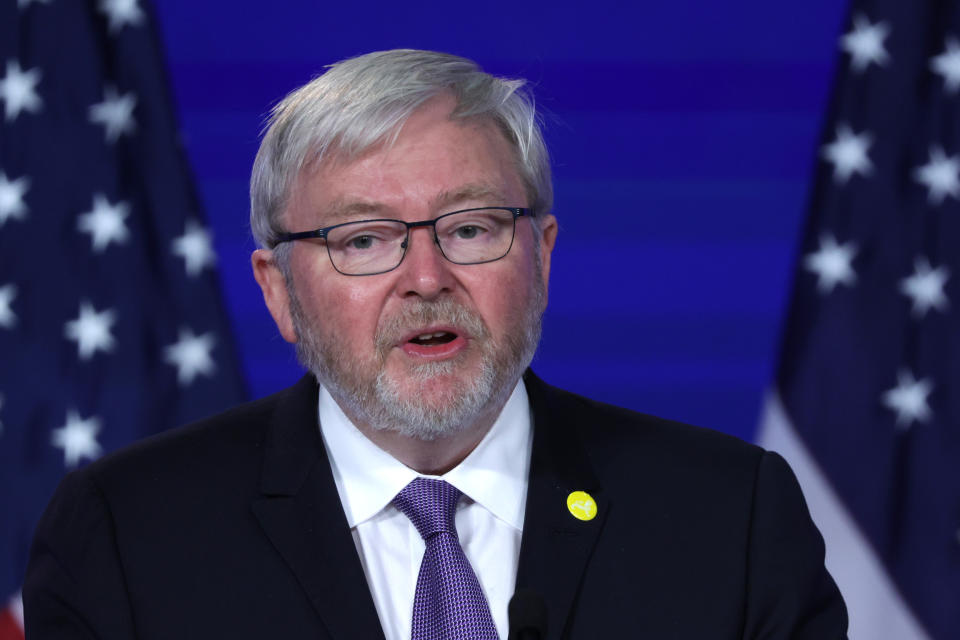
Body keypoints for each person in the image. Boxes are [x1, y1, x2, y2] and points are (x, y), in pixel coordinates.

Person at [23, 49, 847, 639]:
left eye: (471, 227)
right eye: (363, 241)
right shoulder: (128, 536)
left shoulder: (728, 517)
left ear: (544, 254)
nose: (425, 277)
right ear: (278, 292)